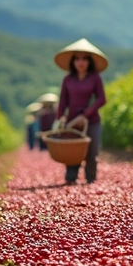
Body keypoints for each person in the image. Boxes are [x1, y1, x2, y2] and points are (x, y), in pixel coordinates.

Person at [54, 38, 109, 185]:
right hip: (72, 120)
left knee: (92, 151)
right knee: (72, 149)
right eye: (77, 58)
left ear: (89, 61)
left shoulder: (95, 78)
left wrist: (85, 115)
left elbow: (101, 99)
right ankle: (71, 177)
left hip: (91, 120)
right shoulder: (68, 79)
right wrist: (59, 120)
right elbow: (63, 101)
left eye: (84, 58)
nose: (81, 62)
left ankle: (90, 179)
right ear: (73, 61)